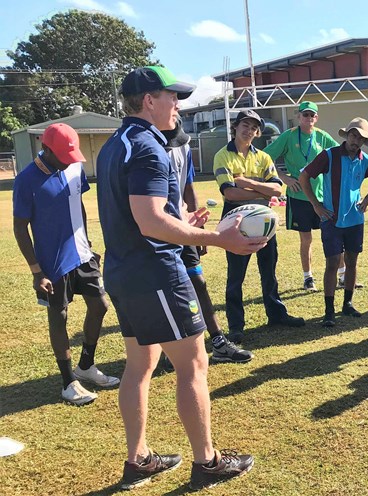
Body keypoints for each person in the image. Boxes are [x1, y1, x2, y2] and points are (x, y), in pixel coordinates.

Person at [97, 65, 256, 490]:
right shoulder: (149, 147)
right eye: (172, 96)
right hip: (156, 272)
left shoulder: (117, 144)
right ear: (149, 100)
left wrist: (182, 217)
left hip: (124, 271)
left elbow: (140, 214)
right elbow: (149, 222)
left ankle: (139, 459)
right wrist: (216, 237)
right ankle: (207, 462)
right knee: (194, 364)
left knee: (141, 364)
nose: (179, 105)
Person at [12, 123, 119, 406]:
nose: (69, 161)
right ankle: (68, 381)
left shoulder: (74, 168)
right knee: (58, 316)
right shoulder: (26, 180)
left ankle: (86, 365)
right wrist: (37, 271)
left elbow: (78, 205)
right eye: (63, 155)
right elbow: (20, 228)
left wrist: (87, 243)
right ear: (45, 149)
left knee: (100, 305)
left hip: (82, 254)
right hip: (52, 263)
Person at [162, 119, 254, 364]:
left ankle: (218, 341)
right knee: (165, 286)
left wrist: (197, 225)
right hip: (158, 229)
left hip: (183, 224)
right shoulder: (149, 146)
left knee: (197, 282)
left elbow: (188, 185)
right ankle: (170, 348)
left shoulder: (182, 145)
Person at [214, 110, 306, 344]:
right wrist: (259, 189)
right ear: (235, 127)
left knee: (269, 268)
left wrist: (244, 181)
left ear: (257, 133)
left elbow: (277, 190)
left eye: (254, 128)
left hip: (264, 219)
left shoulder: (264, 157)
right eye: (245, 125)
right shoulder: (223, 155)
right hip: (235, 219)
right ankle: (236, 326)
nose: (249, 130)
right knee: (236, 274)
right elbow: (230, 192)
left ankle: (276, 314)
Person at [299, 117, 368, 327]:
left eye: (361, 138)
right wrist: (316, 205)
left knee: (352, 262)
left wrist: (366, 201)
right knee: (333, 263)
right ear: (347, 135)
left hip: (355, 220)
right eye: (354, 135)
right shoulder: (329, 156)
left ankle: (348, 304)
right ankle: (329, 311)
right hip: (332, 220)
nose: (356, 141)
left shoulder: (366, 160)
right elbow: (304, 177)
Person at [264, 101, 344, 292]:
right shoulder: (289, 136)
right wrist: (283, 177)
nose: (308, 118)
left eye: (312, 115)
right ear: (298, 117)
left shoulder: (322, 137)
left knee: (333, 236)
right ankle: (308, 278)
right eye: (305, 115)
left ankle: (342, 275)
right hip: (299, 196)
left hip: (322, 197)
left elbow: (340, 155)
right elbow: (265, 157)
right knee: (306, 239)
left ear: (316, 118)